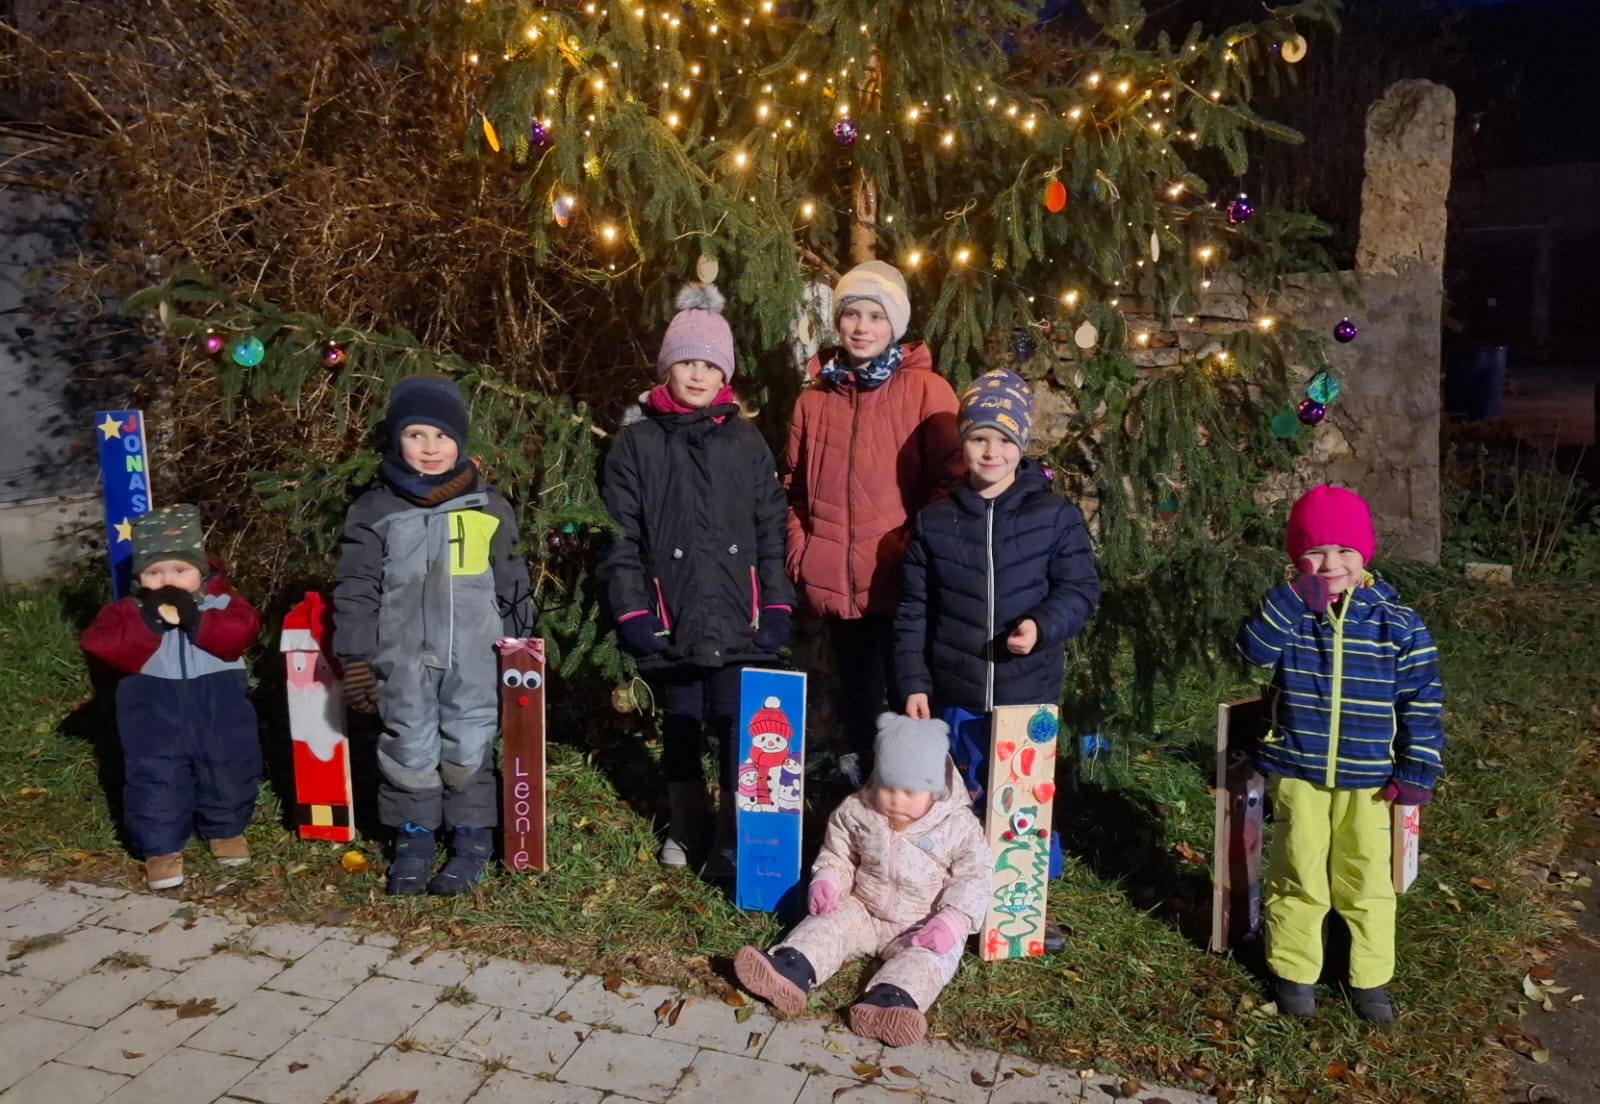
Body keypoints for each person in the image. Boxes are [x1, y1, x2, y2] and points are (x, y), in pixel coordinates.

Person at [599, 284, 794, 876]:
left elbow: (770, 528)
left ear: (725, 374)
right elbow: (620, 536)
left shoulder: (746, 441)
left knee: (739, 729)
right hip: (671, 616)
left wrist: (776, 603)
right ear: (666, 367)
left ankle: (735, 836)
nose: (698, 374)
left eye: (710, 364)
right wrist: (634, 611)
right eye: (687, 361)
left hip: (741, 617)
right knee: (682, 727)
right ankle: (688, 824)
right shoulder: (636, 445)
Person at [1238, 484, 1444, 1022]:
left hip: (1369, 778)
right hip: (1298, 768)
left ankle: (1369, 979)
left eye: (1345, 552)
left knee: (1367, 878)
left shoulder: (1396, 622)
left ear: (1364, 556)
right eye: (1317, 552)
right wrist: (1289, 600)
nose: (1331, 563)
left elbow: (1423, 699)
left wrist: (1418, 767)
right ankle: (1294, 972)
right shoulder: (1291, 611)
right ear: (1297, 557)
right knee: (1299, 871)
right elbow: (1251, 651)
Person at [894, 369, 1100, 893]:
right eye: (980, 437)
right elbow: (914, 608)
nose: (991, 451)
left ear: (1021, 445)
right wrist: (915, 683)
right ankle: (960, 892)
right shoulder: (935, 521)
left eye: (1004, 439)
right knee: (960, 794)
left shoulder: (1054, 517)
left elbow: (1080, 589)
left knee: (1023, 798)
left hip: (1025, 696)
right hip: (956, 691)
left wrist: (1040, 625)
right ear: (964, 443)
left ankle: (1022, 896)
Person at [332, 375, 534, 896]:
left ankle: (471, 842)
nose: (429, 448)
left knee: (469, 744)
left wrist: (521, 651)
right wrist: (355, 658)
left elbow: (513, 583)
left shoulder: (489, 509)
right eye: (416, 435)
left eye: (441, 437)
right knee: (408, 744)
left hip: (476, 660)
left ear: (460, 443)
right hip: (400, 662)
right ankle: (414, 840)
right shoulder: (375, 511)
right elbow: (355, 589)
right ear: (396, 441)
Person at [782, 261, 962, 780]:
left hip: (903, 583)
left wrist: (913, 551)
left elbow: (951, 483)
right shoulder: (813, 402)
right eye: (851, 314)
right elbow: (793, 487)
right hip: (838, 585)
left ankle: (915, 811)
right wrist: (803, 552)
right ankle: (861, 818)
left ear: (895, 326)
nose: (861, 327)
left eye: (875, 316)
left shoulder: (927, 390)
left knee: (909, 701)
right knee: (858, 702)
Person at [733, 713, 991, 1047]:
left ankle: (893, 1000)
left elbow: (976, 876)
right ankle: (791, 967)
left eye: (910, 792)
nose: (897, 800)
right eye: (888, 788)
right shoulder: (857, 811)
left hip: (923, 924)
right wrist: (827, 881)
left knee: (926, 961)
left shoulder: (958, 827)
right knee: (827, 925)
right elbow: (838, 852)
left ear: (936, 790)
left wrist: (953, 921)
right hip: (864, 909)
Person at [80, 504, 262, 891]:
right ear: (140, 577)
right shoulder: (127, 611)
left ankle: (226, 829)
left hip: (218, 707)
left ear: (201, 571)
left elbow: (241, 633)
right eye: (155, 572)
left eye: (180, 571)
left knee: (227, 767)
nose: (169, 581)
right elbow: (101, 644)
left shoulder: (223, 604)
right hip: (154, 712)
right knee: (155, 777)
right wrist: (147, 624)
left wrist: (197, 621)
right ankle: (161, 848)